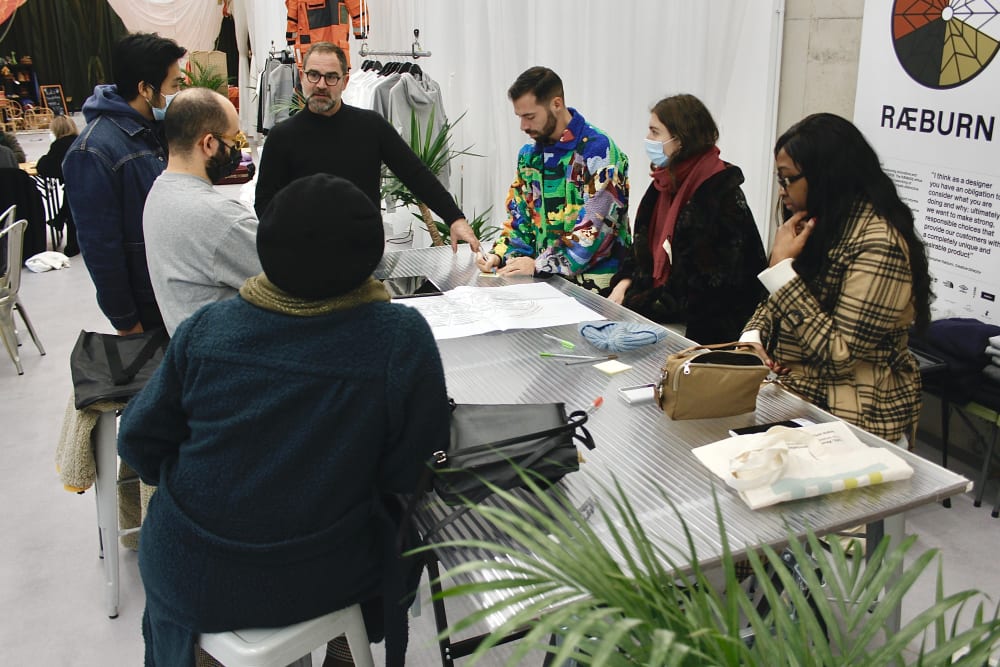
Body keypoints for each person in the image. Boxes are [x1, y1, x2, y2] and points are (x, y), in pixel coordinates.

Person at [118, 174, 450, 667]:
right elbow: (413, 470)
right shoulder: (398, 337)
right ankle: (345, 647)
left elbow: (140, 442)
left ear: (266, 245)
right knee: (393, 530)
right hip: (317, 570)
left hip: (190, 567)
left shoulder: (208, 329)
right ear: (369, 253)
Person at [741, 113, 932, 443]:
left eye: (787, 180)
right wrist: (754, 337)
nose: (782, 191)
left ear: (825, 176)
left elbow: (840, 356)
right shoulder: (818, 223)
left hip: (857, 418)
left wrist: (781, 271)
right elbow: (775, 304)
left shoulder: (879, 244)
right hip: (800, 401)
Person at [254, 41, 479, 252]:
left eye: (331, 77)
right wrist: (287, 240)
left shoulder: (371, 127)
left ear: (345, 81)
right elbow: (264, 201)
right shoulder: (281, 137)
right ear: (302, 78)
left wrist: (454, 218)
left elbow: (415, 174)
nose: (321, 85)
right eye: (314, 75)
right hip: (304, 253)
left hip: (362, 255)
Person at [607, 94, 767, 344]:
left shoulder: (718, 194)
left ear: (680, 140)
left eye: (655, 132)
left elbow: (707, 289)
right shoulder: (662, 184)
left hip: (707, 334)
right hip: (664, 320)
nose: (648, 140)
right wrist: (626, 280)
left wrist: (637, 303)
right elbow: (641, 252)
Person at [63, 32, 186, 335]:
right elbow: (100, 248)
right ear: (145, 88)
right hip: (147, 303)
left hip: (173, 286)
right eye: (175, 85)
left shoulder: (155, 131)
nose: (180, 92)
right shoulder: (93, 151)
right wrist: (126, 321)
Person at [476, 67, 630, 290]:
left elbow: (593, 233)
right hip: (545, 285)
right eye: (520, 117)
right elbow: (521, 220)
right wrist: (499, 254)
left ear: (557, 104)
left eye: (530, 116)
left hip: (596, 290)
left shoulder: (599, 152)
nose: (523, 126)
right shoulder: (529, 156)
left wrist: (540, 265)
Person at [143, 88, 260, 336]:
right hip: (233, 359)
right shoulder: (220, 218)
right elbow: (293, 279)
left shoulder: (159, 192)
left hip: (191, 352)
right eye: (233, 142)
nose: (236, 152)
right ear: (209, 143)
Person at [35, 115, 81, 256]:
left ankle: (60, 221)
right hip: (85, 184)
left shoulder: (59, 145)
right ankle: (59, 219)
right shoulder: (80, 141)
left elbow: (45, 167)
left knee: (69, 198)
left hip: (74, 188)